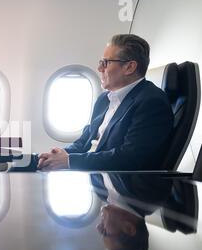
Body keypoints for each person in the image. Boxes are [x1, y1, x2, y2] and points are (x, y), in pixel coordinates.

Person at [38, 34, 174, 171]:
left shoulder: (151, 102)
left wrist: (69, 161)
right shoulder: (104, 100)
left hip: (119, 183)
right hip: (93, 174)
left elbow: (130, 157)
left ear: (129, 67)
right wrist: (54, 156)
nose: (99, 69)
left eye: (105, 63)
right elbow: (84, 142)